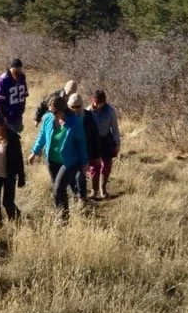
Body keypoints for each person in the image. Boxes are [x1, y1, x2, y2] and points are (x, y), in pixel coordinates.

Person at [28, 94, 88, 223]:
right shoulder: (48, 119)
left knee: (58, 188)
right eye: (50, 110)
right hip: (52, 160)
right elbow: (42, 136)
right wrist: (34, 152)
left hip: (69, 161)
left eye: (54, 111)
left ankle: (63, 218)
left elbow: (81, 143)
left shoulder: (74, 122)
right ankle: (61, 214)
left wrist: (84, 163)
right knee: (58, 189)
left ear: (62, 110)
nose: (52, 113)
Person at [87, 89, 121, 199]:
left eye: (101, 103)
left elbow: (115, 128)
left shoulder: (110, 111)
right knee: (94, 167)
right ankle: (94, 190)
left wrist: (117, 143)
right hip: (93, 141)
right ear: (92, 100)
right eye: (96, 102)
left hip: (106, 139)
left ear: (104, 101)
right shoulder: (88, 111)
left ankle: (103, 189)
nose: (98, 105)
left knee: (106, 165)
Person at [67, 92, 92, 206]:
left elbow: (94, 134)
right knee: (70, 175)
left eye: (78, 106)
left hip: (83, 149)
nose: (76, 109)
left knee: (80, 174)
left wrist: (96, 154)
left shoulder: (88, 116)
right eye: (73, 107)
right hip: (69, 150)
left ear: (82, 105)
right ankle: (75, 194)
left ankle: (82, 196)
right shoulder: (64, 116)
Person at [0, 58, 29, 134]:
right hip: (6, 114)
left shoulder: (22, 77)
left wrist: (22, 108)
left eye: (19, 69)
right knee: (6, 137)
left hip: (17, 113)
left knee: (16, 136)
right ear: (11, 69)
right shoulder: (4, 79)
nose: (18, 71)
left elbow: (24, 95)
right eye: (15, 69)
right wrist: (2, 116)